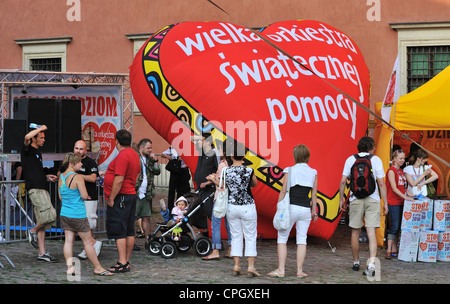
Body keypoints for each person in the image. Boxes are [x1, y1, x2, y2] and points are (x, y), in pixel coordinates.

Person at [339, 136, 388, 276]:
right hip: (373, 199)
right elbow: (382, 183)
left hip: (355, 199)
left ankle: (356, 262)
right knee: (371, 232)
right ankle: (371, 265)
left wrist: (342, 199)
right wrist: (385, 202)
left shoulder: (351, 159)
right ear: (371, 147)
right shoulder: (376, 160)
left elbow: (343, 181)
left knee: (355, 232)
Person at [58, 153, 113, 276]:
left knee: (68, 241)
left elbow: (60, 196)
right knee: (88, 242)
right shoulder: (77, 178)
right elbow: (84, 195)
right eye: (79, 162)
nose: (81, 164)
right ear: (72, 164)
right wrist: (86, 196)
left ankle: (70, 267)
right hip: (78, 214)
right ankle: (98, 267)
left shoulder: (61, 177)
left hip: (65, 213)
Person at [268, 144, 318, 278]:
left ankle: (281, 269)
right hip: (305, 209)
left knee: (282, 238)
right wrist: (314, 211)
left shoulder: (289, 170)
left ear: (295, 156)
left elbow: (283, 190)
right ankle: (300, 271)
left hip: (290, 208)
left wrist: (279, 206)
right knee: (302, 240)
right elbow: (314, 195)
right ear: (307, 156)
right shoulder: (313, 172)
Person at [104, 129, 141, 273]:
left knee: (119, 229)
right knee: (129, 230)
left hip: (121, 196)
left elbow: (118, 179)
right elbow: (137, 174)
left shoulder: (122, 156)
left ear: (116, 141)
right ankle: (126, 260)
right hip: (130, 194)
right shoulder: (134, 154)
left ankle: (122, 261)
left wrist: (112, 198)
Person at [58, 140, 102, 260]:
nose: (78, 151)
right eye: (76, 148)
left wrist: (75, 176)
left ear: (85, 151)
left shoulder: (90, 162)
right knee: (77, 230)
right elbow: (60, 173)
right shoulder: (70, 163)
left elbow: (93, 178)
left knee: (89, 224)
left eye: (81, 149)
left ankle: (89, 247)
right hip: (74, 202)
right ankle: (91, 246)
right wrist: (71, 176)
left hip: (89, 197)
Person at [22, 125, 58, 263]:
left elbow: (37, 171)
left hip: (42, 187)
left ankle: (42, 253)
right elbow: (26, 138)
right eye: (41, 137)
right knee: (51, 215)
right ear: (34, 139)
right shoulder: (27, 150)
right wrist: (41, 128)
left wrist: (47, 176)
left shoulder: (38, 153)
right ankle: (32, 231)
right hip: (35, 189)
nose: (44, 140)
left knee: (42, 221)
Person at [225, 141, 259, 277]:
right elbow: (254, 184)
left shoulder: (226, 171)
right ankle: (250, 267)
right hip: (247, 205)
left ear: (232, 155)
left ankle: (236, 265)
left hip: (232, 206)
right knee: (250, 236)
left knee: (236, 236)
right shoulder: (249, 170)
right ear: (244, 155)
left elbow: (225, 187)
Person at [202, 143, 232, 260]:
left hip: (220, 197)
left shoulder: (222, 165)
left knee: (215, 224)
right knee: (229, 224)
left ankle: (215, 250)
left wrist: (212, 179)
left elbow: (222, 185)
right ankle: (230, 248)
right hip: (229, 198)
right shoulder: (230, 165)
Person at [385, 149, 415, 259]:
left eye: (403, 158)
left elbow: (404, 188)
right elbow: (394, 188)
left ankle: (394, 249)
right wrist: (406, 197)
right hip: (394, 202)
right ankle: (388, 249)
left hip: (402, 202)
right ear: (394, 159)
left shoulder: (401, 172)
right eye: (400, 158)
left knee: (399, 226)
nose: (402, 160)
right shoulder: (391, 171)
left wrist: (413, 195)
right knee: (394, 225)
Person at [135, 138, 160, 249]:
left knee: (146, 218)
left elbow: (157, 171)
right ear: (141, 147)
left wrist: (155, 161)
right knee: (132, 217)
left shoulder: (149, 159)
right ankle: (131, 242)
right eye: (148, 148)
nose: (150, 150)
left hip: (147, 193)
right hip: (135, 192)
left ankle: (147, 240)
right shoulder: (135, 157)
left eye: (151, 148)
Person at [191, 133, 219, 229]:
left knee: (209, 211)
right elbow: (191, 139)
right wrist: (200, 138)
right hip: (200, 187)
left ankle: (215, 232)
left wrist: (207, 183)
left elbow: (217, 173)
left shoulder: (214, 154)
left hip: (209, 188)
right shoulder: (202, 151)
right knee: (200, 211)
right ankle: (205, 233)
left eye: (201, 140)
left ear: (207, 142)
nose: (199, 142)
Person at [161, 146, 191, 212]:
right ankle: (170, 210)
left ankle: (180, 208)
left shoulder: (187, 148)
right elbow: (163, 154)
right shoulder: (172, 148)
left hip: (183, 171)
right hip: (174, 171)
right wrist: (169, 157)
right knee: (172, 191)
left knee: (181, 191)